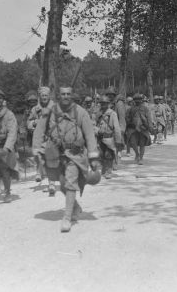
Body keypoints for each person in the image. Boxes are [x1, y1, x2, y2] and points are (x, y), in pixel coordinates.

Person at [33, 86, 101, 233]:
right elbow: (39, 130)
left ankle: (67, 217)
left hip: (75, 154)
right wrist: (37, 149)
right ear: (58, 95)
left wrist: (93, 157)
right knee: (63, 184)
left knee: (70, 182)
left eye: (68, 94)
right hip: (56, 153)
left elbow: (89, 135)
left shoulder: (80, 112)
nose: (65, 96)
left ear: (72, 95)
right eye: (63, 94)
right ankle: (75, 206)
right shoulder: (50, 111)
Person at [27, 86, 56, 195]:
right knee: (40, 158)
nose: (44, 97)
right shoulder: (35, 109)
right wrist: (34, 123)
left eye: (46, 95)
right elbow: (28, 123)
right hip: (39, 138)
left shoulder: (54, 107)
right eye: (42, 95)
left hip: (51, 137)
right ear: (40, 96)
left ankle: (51, 184)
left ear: (49, 96)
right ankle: (40, 172)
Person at [94, 94, 123, 179]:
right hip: (100, 137)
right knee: (101, 154)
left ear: (108, 104)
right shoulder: (98, 113)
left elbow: (117, 127)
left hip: (109, 138)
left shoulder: (112, 114)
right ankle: (104, 170)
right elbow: (94, 124)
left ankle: (109, 171)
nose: (103, 105)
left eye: (105, 103)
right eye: (102, 103)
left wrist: (118, 140)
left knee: (109, 154)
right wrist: (96, 131)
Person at [125, 93, 153, 165]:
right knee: (133, 143)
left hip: (143, 128)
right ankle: (137, 154)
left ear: (141, 100)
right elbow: (127, 118)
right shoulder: (130, 109)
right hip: (133, 128)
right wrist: (129, 124)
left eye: (139, 99)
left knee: (142, 144)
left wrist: (150, 127)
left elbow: (149, 118)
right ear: (133, 100)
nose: (137, 101)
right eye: (136, 99)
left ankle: (141, 158)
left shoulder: (145, 108)